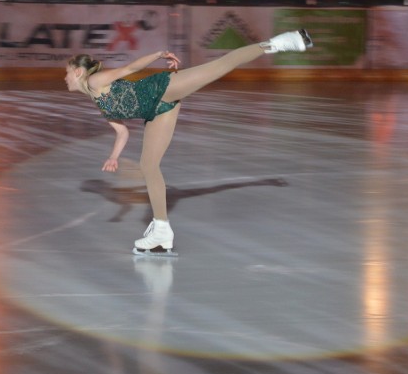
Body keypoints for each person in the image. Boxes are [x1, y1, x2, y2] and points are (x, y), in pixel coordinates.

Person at [64, 29, 313, 256]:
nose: (65, 78)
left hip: (162, 88)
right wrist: (114, 157)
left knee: (220, 65)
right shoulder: (97, 100)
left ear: (78, 72)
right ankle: (161, 231)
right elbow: (122, 132)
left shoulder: (95, 82)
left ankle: (281, 42)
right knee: (149, 166)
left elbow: (128, 70)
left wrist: (158, 54)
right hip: (158, 111)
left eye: (67, 72)